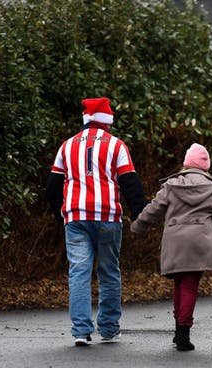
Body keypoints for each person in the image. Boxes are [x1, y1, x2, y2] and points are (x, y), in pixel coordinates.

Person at [46, 97, 145, 347]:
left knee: (78, 272)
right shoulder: (116, 146)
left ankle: (80, 330)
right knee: (109, 272)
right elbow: (130, 183)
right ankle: (109, 329)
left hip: (76, 216)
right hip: (107, 217)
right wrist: (140, 216)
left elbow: (53, 187)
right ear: (106, 122)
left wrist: (61, 212)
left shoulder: (66, 146)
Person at [130, 142, 212, 351]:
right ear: (206, 167)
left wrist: (138, 227)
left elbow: (153, 209)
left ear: (186, 164)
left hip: (174, 242)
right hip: (199, 244)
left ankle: (178, 331)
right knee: (189, 285)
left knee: (179, 283)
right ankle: (182, 335)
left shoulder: (172, 185)